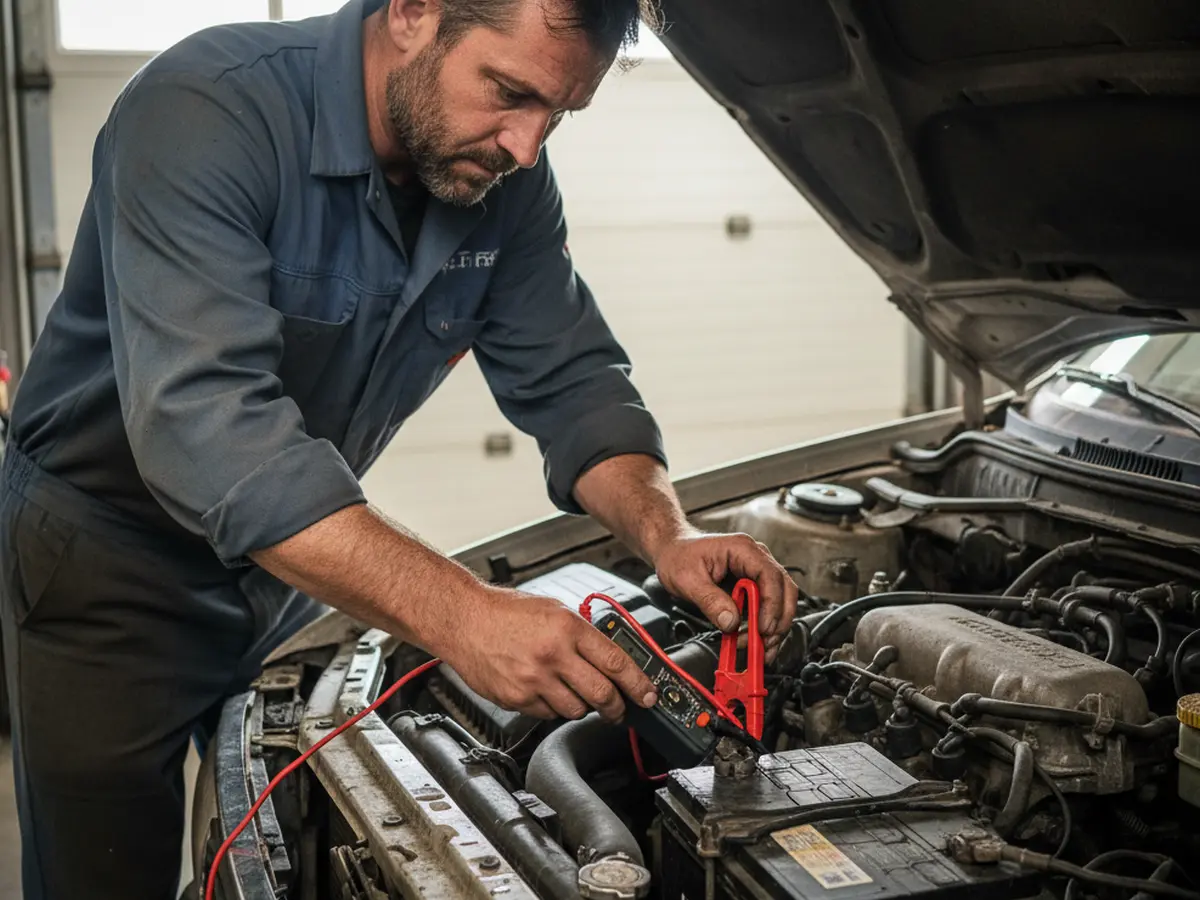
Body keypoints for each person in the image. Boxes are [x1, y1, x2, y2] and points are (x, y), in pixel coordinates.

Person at [0, 0, 799, 897]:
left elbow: (574, 381)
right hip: (107, 568)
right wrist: (465, 616)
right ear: (415, 11)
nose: (527, 147)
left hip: (289, 565)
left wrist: (668, 534)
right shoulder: (205, 109)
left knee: (292, 839)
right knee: (101, 872)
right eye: (510, 93)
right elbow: (209, 428)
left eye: (559, 114)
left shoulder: (502, 181)